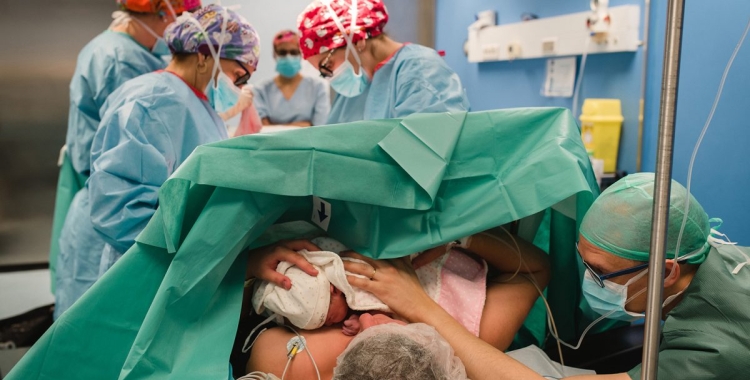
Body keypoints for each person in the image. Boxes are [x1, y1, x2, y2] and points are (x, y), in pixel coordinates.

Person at [344, 173, 750, 380]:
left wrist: (421, 307)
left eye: (602, 273)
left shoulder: (718, 351)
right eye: (584, 263)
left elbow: (534, 268)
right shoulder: (712, 258)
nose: (590, 282)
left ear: (666, 271)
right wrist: (459, 238)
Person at [54, 4, 261, 318]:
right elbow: (122, 211)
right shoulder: (152, 102)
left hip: (163, 260)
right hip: (136, 264)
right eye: (238, 74)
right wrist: (204, 252)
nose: (240, 85)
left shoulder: (193, 101)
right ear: (205, 56)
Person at [244, 231, 550, 379]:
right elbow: (536, 269)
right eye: (404, 329)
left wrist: (249, 265)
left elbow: (216, 307)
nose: (371, 320)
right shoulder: (470, 350)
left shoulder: (286, 362)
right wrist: (456, 235)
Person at [49, 0, 200, 293]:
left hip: (104, 202)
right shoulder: (121, 60)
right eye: (176, 20)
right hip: (114, 215)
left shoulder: (118, 50)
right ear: (161, 13)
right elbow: (133, 148)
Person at [297, 0, 470, 124]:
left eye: (327, 65)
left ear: (357, 40)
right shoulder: (355, 88)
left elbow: (424, 157)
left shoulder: (421, 70)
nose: (331, 76)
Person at [253, 30, 330, 127]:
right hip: (272, 143)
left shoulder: (318, 87)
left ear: (301, 54)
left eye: (293, 52)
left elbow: (319, 127)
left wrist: (276, 127)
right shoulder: (260, 89)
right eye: (282, 52)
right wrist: (304, 125)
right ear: (274, 54)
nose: (288, 57)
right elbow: (262, 128)